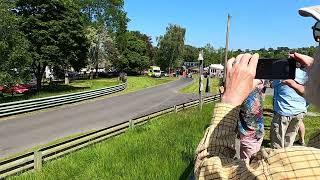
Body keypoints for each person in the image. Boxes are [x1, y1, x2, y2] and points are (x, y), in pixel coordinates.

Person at [194, 5, 320, 179]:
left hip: (256, 128)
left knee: (264, 148)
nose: (316, 49)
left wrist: (229, 99)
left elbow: (207, 172)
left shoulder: (284, 167)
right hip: (259, 127)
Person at [270, 65, 308, 149]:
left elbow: (272, 85)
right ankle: (287, 156)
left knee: (277, 139)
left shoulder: (282, 74)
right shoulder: (306, 74)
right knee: (290, 136)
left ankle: (277, 158)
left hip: (283, 111)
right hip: (299, 111)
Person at [237, 81, 264, 160]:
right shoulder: (257, 87)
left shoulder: (247, 88)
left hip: (250, 135)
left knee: (249, 162)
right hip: (256, 131)